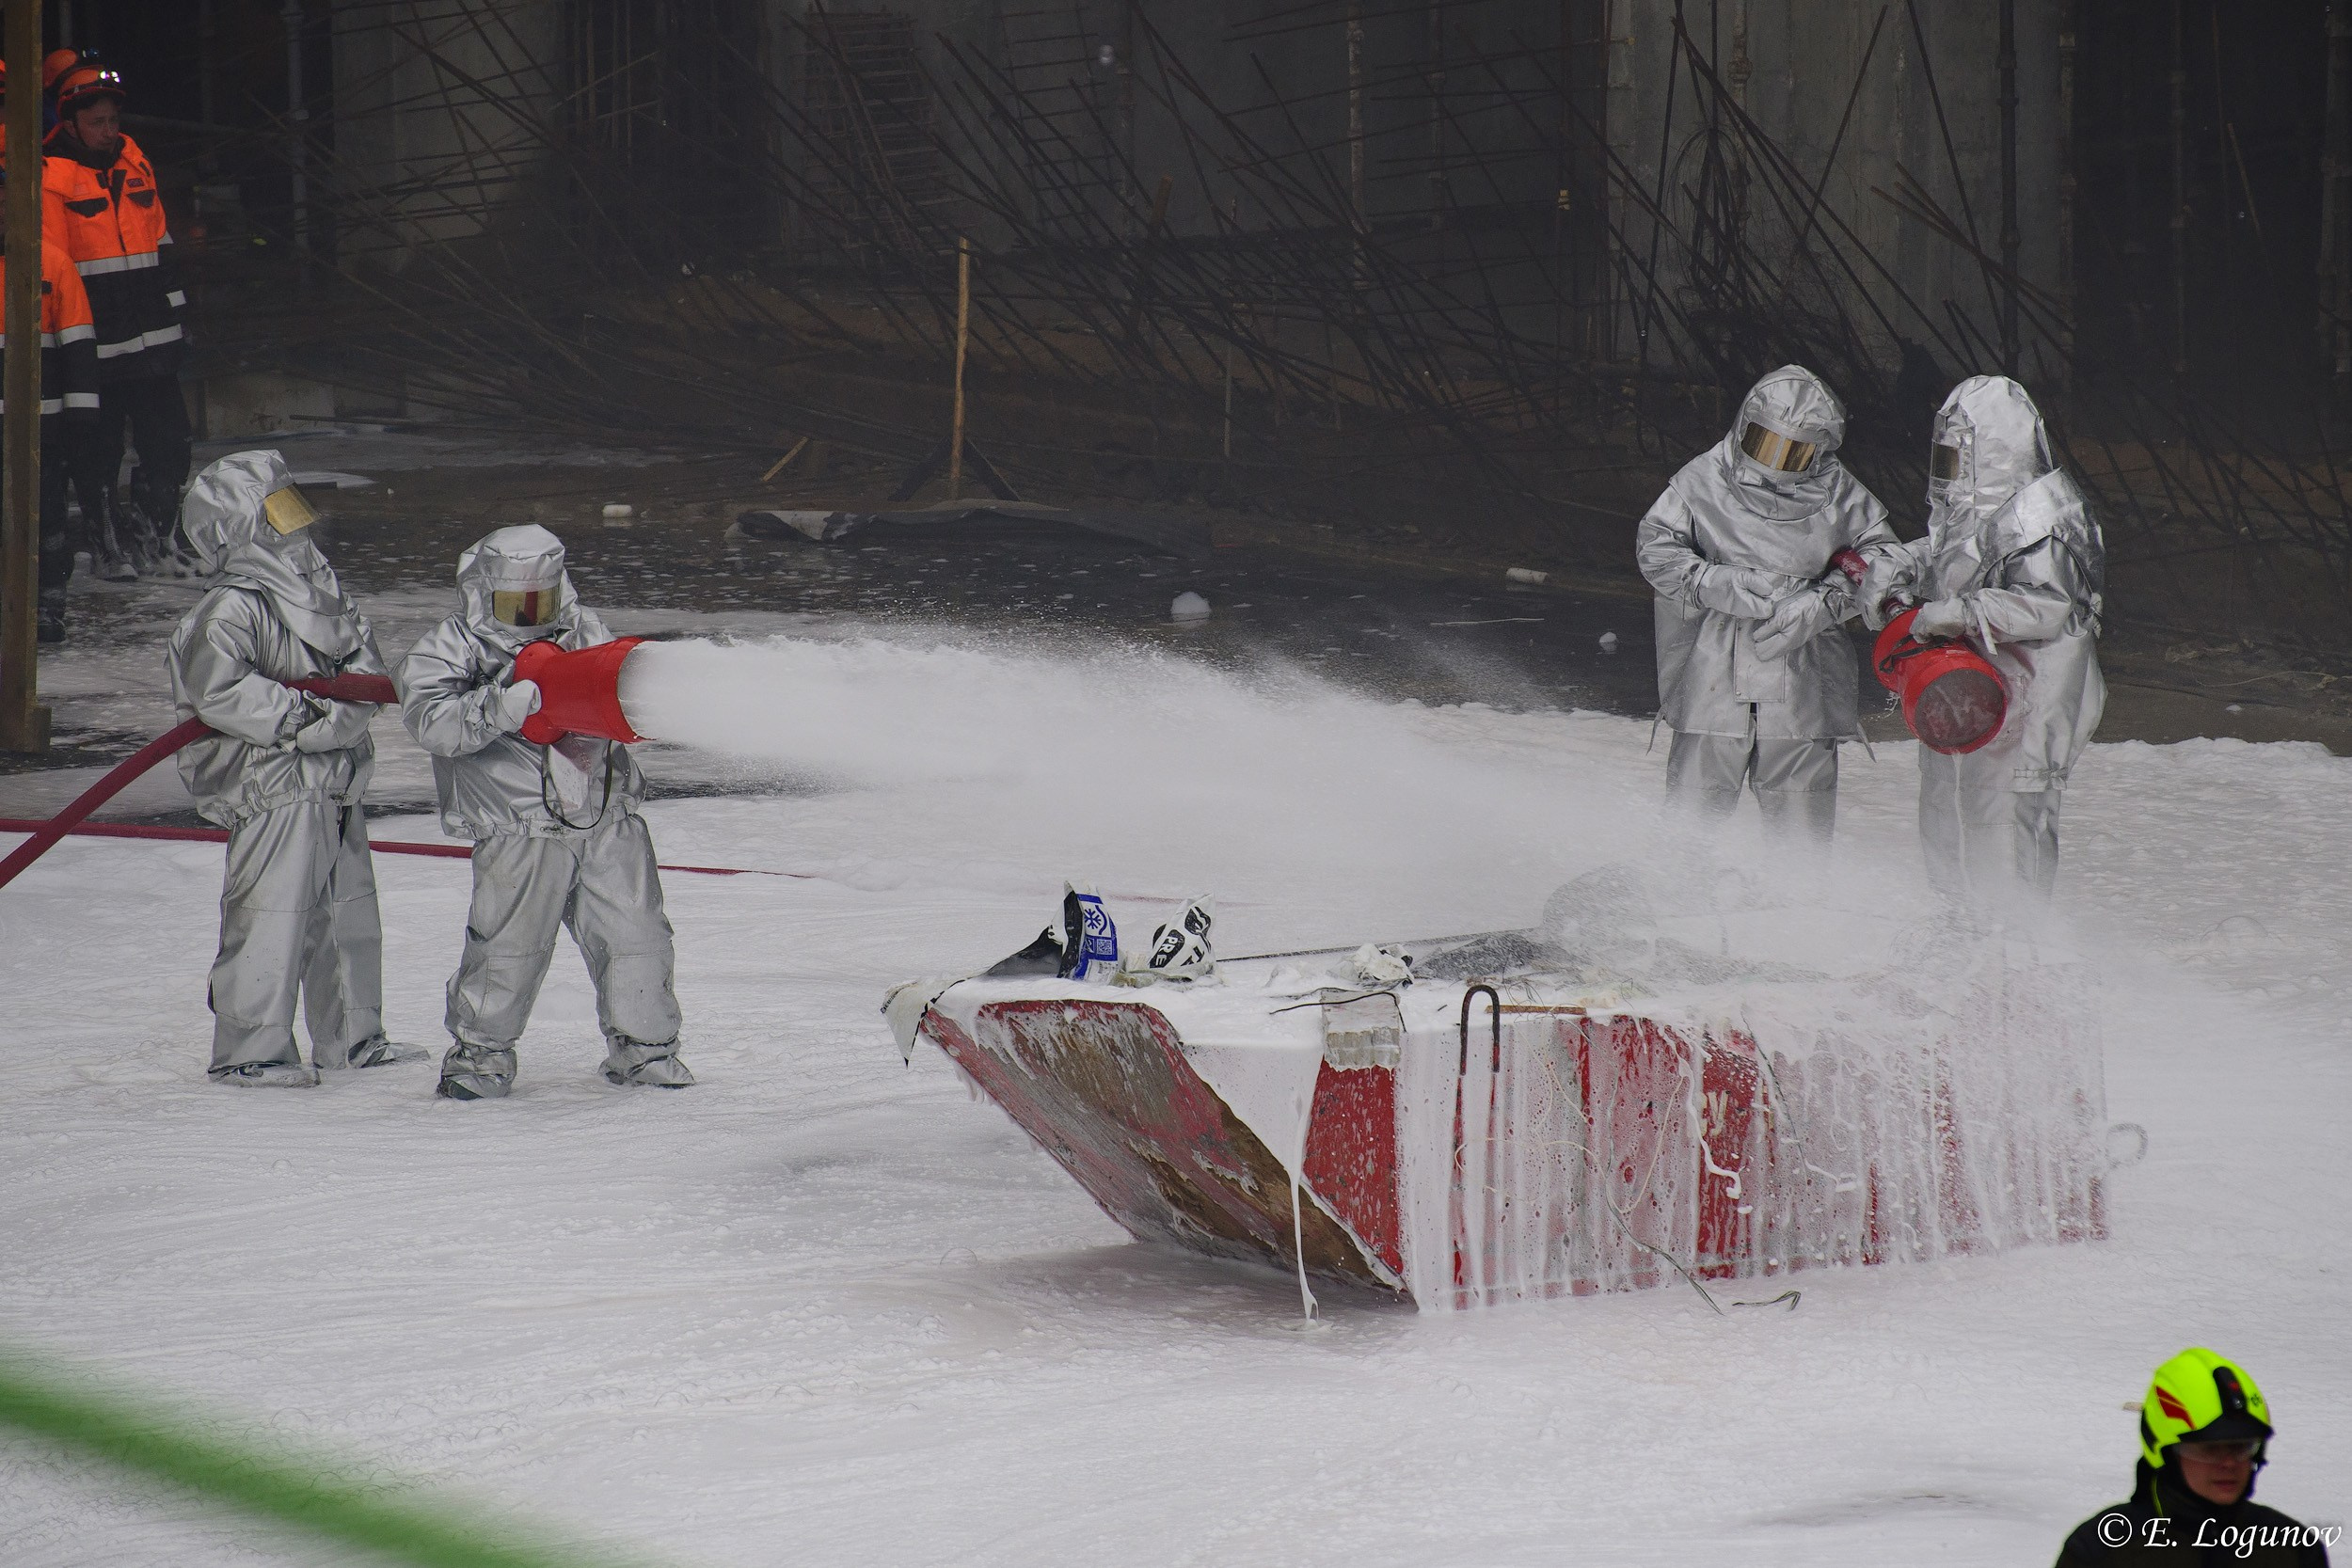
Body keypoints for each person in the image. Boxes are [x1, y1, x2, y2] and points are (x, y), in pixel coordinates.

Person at [398, 525, 692, 1101]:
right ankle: (478, 1061)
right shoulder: (450, 645)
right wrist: (493, 708)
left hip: (605, 816)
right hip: (518, 827)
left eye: (541, 599)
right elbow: (429, 721)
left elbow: (616, 690)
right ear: (485, 589)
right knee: (508, 946)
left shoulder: (585, 630)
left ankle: (647, 1053)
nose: (531, 613)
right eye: (515, 602)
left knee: (638, 937)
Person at [166, 451, 415, 1085]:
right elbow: (220, 692)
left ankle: (354, 1038)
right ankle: (251, 1049)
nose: (294, 525)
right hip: (273, 789)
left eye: (291, 506)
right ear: (237, 529)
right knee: (270, 920)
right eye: (276, 512)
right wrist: (312, 718)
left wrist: (346, 714)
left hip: (335, 781)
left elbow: (364, 664)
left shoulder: (321, 587)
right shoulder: (230, 610)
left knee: (347, 915)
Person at [1861, 375, 2105, 901]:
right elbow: (1956, 553)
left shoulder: (2046, 519)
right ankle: (1957, 942)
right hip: (1965, 691)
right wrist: (1901, 562)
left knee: (2007, 826)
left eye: (1957, 458)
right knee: (1945, 811)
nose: (1948, 473)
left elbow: (2048, 604)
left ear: (1994, 451)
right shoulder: (1977, 511)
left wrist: (1957, 614)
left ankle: (2013, 959)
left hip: (2027, 700)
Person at [1635, 364, 1899, 840]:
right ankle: (1678, 908)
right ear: (1744, 425)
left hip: (1804, 687)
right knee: (1689, 828)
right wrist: (1711, 582)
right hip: (1709, 680)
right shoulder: (1701, 481)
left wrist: (1824, 603)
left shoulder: (1844, 497)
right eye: (1765, 443)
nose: (1775, 463)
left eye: (1794, 451)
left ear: (1820, 451)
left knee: (1800, 833)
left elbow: (1883, 565)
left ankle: (1797, 911)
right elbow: (1656, 547)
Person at [42, 56, 192, 578]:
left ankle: (159, 537)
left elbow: (160, 242)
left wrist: (177, 320)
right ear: (70, 123)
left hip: (154, 337)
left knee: (170, 440)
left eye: (113, 121)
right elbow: (52, 271)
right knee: (98, 452)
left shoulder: (135, 162)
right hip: (96, 345)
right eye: (96, 123)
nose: (108, 132)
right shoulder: (50, 176)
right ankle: (108, 544)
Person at [2056, 1348, 2330, 1564]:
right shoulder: (2102, 1550)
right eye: (2208, 1448)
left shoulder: (2292, 1550)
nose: (2229, 1463)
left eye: (2241, 1447)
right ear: (2166, 1454)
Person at [0, 119, 110, 642]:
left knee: (44, 517)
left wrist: (81, 423)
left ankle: (48, 604)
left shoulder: (55, 265)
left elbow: (79, 350)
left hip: (43, 423)